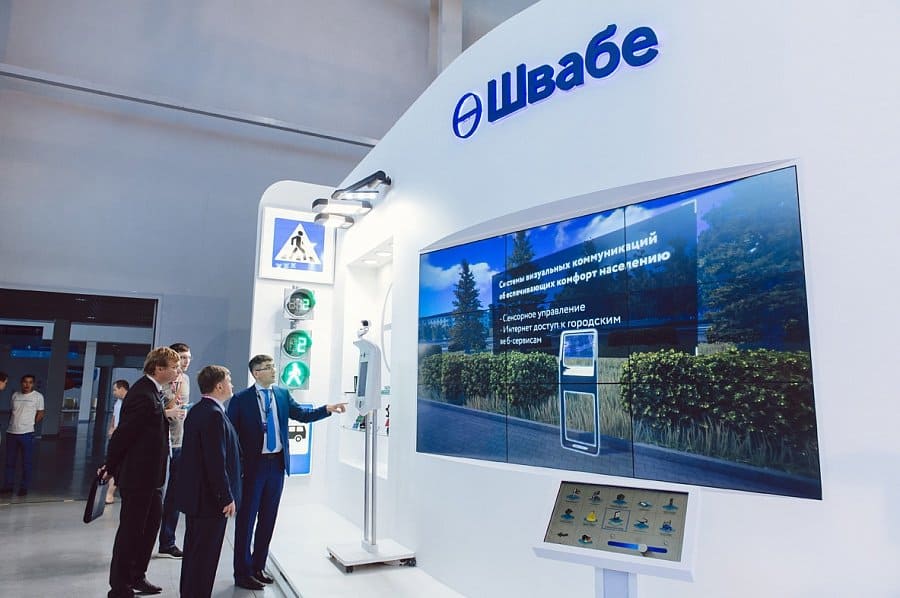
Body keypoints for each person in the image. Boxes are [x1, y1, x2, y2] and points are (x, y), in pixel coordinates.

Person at [227, 354, 347, 590]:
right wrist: (236, 468)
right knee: (246, 520)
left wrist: (327, 409)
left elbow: (302, 414)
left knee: (268, 519)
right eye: (268, 367)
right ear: (256, 373)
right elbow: (231, 436)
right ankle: (242, 572)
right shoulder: (240, 400)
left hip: (277, 466)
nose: (274, 370)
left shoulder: (281, 394)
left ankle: (258, 567)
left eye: (273, 366)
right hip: (252, 467)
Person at [100, 346, 180, 598]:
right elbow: (123, 435)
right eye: (174, 367)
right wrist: (110, 466)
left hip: (152, 477)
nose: (177, 371)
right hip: (139, 477)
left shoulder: (154, 392)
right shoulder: (142, 395)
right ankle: (119, 586)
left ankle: (137, 576)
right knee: (131, 531)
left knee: (149, 527)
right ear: (158, 368)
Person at [176, 365, 241, 598]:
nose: (232, 385)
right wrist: (226, 496)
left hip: (198, 498)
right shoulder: (214, 415)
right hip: (210, 500)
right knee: (205, 558)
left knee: (195, 554)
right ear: (219, 386)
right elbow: (215, 461)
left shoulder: (199, 410)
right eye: (229, 381)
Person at [158, 342, 192, 559]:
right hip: (161, 444)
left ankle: (167, 542)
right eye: (181, 357)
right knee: (155, 495)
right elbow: (156, 410)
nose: (185, 361)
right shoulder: (162, 382)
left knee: (175, 495)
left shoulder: (186, 380)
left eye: (188, 357)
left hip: (180, 444)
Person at [1, 374, 45, 497]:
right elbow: (13, 412)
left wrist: (30, 424)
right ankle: (8, 486)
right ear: (21, 383)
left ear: (33, 384)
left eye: (30, 382)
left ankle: (24, 487)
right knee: (9, 462)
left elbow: (41, 413)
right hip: (11, 433)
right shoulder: (15, 395)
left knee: (26, 462)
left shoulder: (38, 397)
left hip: (27, 433)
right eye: (25, 382)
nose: (27, 384)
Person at [105, 379, 130, 504]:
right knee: (114, 464)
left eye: (115, 390)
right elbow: (115, 416)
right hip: (116, 436)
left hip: (123, 436)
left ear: (122, 389)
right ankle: (109, 493)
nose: (113, 393)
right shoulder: (118, 403)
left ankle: (110, 493)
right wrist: (112, 428)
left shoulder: (131, 402)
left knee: (118, 466)